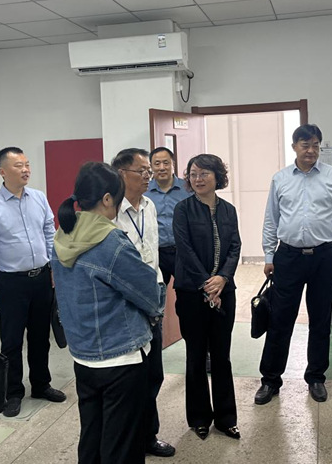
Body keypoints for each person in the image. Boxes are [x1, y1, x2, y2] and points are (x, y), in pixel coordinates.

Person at [52, 162, 166, 464]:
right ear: (106, 199)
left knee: (92, 436)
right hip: (121, 357)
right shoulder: (110, 241)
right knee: (122, 445)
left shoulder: (65, 233)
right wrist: (157, 303)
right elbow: (149, 295)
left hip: (83, 355)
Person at [255, 124, 332, 406]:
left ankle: (316, 378)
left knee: (321, 319)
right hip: (288, 256)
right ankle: (270, 380)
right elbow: (271, 220)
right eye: (305, 145)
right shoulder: (280, 179)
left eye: (315, 145)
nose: (311, 150)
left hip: (324, 256)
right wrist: (269, 256)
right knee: (280, 319)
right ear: (294, 147)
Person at [0, 147, 66, 418]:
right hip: (11, 282)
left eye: (27, 164)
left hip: (41, 278)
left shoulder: (38, 197)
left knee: (41, 337)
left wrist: (54, 267)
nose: (26, 170)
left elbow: (50, 232)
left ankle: (41, 384)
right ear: (2, 171)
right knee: (12, 340)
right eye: (18, 166)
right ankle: (13, 392)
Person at [111, 148, 175, 458]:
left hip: (153, 296)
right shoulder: (111, 212)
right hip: (125, 303)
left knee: (153, 373)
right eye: (143, 171)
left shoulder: (149, 205)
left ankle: (149, 435)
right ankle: (132, 438)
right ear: (121, 174)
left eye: (149, 170)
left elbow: (152, 253)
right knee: (131, 377)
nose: (149, 176)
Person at [173, 154, 241, 440]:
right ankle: (199, 417)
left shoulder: (228, 210)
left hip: (225, 291)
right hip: (191, 293)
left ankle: (226, 419)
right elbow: (184, 249)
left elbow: (235, 246)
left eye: (204, 173)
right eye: (193, 174)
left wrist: (223, 278)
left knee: (222, 356)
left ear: (217, 176)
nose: (198, 179)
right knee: (196, 356)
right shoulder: (183, 209)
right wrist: (206, 284)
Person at [145, 146, 190, 286]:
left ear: (173, 164)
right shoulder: (144, 191)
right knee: (156, 291)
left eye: (166, 163)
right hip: (156, 252)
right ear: (151, 167)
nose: (162, 168)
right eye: (157, 164)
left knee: (187, 291)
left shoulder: (188, 189)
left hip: (183, 251)